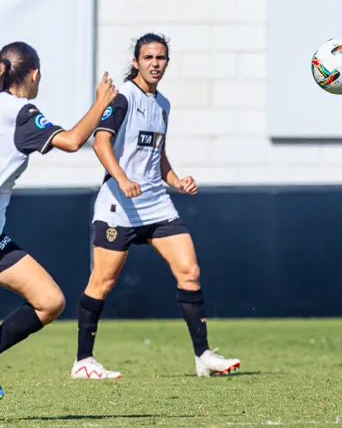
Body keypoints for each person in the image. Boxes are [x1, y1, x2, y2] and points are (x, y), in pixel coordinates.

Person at [70, 33, 240, 380]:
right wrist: (121, 178)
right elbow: (100, 142)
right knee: (102, 281)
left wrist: (176, 180)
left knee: (189, 271)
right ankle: (83, 361)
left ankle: (203, 355)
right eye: (148, 57)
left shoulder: (163, 104)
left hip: (156, 204)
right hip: (119, 204)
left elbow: (156, 154)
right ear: (136, 62)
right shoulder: (123, 99)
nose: (154, 64)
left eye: (160, 58)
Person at [0, 42, 117, 397]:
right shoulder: (19, 113)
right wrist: (100, 104)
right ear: (34, 74)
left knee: (49, 301)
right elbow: (70, 141)